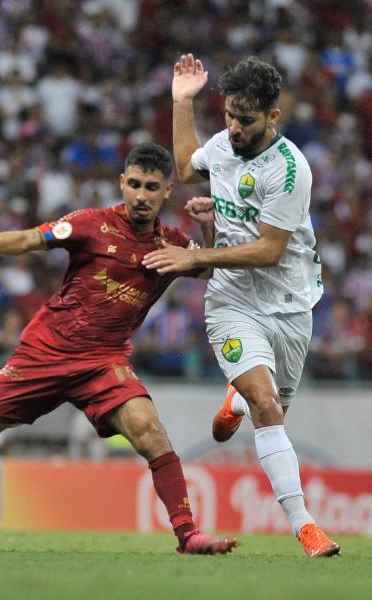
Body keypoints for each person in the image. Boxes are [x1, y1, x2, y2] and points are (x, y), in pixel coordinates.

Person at [0, 143, 235, 556]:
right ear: (122, 183)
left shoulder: (172, 245)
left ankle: (188, 535)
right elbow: (33, 237)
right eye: (135, 184)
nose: (141, 195)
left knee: (151, 433)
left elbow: (208, 266)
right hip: (43, 353)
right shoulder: (92, 225)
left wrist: (208, 227)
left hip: (103, 362)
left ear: (167, 191)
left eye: (152, 187)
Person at [143, 55, 340, 558]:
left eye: (245, 119)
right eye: (229, 114)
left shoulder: (290, 169)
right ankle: (306, 527)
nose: (233, 127)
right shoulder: (224, 146)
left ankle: (236, 398)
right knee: (268, 407)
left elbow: (270, 250)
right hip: (232, 301)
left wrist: (199, 253)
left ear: (273, 117)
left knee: (270, 407)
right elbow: (187, 167)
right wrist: (181, 101)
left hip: (291, 305)